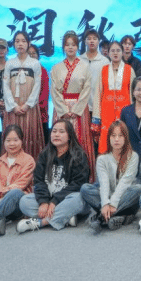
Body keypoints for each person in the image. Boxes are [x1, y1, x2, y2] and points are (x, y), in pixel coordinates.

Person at [17, 119, 90, 233]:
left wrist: (54, 202)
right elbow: (39, 181)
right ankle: (65, 217)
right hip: (49, 199)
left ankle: (41, 222)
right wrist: (44, 202)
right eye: (54, 131)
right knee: (24, 201)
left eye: (61, 131)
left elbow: (78, 185)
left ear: (69, 136)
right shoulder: (44, 154)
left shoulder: (78, 155)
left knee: (78, 199)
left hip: (68, 200)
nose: (56, 134)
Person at [80, 120, 141, 234]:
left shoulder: (133, 156)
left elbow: (125, 182)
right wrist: (105, 203)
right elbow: (104, 183)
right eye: (113, 136)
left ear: (126, 138)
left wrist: (113, 204)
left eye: (120, 135)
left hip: (125, 199)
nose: (116, 139)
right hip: (107, 198)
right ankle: (120, 216)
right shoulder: (102, 159)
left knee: (138, 189)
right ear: (109, 138)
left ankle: (101, 217)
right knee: (85, 188)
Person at [50, 31, 95, 180]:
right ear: (63, 47)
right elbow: (54, 91)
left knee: (80, 141)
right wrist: (63, 110)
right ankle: (59, 176)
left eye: (73, 45)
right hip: (61, 109)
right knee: (61, 140)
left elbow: (86, 89)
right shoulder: (56, 68)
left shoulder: (84, 66)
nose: (70, 47)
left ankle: (82, 176)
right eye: (67, 45)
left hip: (79, 110)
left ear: (78, 47)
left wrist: (76, 109)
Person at [3, 31, 45, 161]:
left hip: (29, 108)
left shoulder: (35, 63)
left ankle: (30, 167)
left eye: (23, 41)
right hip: (13, 109)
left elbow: (37, 86)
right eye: (17, 41)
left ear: (29, 43)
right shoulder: (9, 63)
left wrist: (28, 105)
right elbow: (5, 86)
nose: (20, 44)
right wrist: (13, 106)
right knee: (12, 136)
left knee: (29, 136)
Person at [92, 41, 135, 155]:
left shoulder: (129, 70)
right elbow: (98, 93)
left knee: (123, 138)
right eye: (113, 51)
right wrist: (96, 117)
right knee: (106, 143)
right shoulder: (103, 70)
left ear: (122, 52)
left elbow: (132, 94)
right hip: (106, 113)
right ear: (108, 53)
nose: (115, 53)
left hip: (124, 113)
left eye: (118, 50)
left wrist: (133, 115)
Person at [81, 29, 109, 154]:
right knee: (83, 139)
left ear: (98, 41)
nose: (91, 41)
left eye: (94, 39)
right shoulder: (79, 60)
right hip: (82, 107)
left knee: (98, 140)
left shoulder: (104, 61)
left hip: (99, 107)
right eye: (89, 38)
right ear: (85, 41)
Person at [27, 44, 50, 146]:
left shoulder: (43, 71)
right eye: (29, 53)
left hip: (39, 113)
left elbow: (44, 94)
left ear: (38, 55)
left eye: (34, 53)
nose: (32, 56)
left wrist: (34, 108)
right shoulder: (21, 70)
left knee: (41, 143)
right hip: (25, 113)